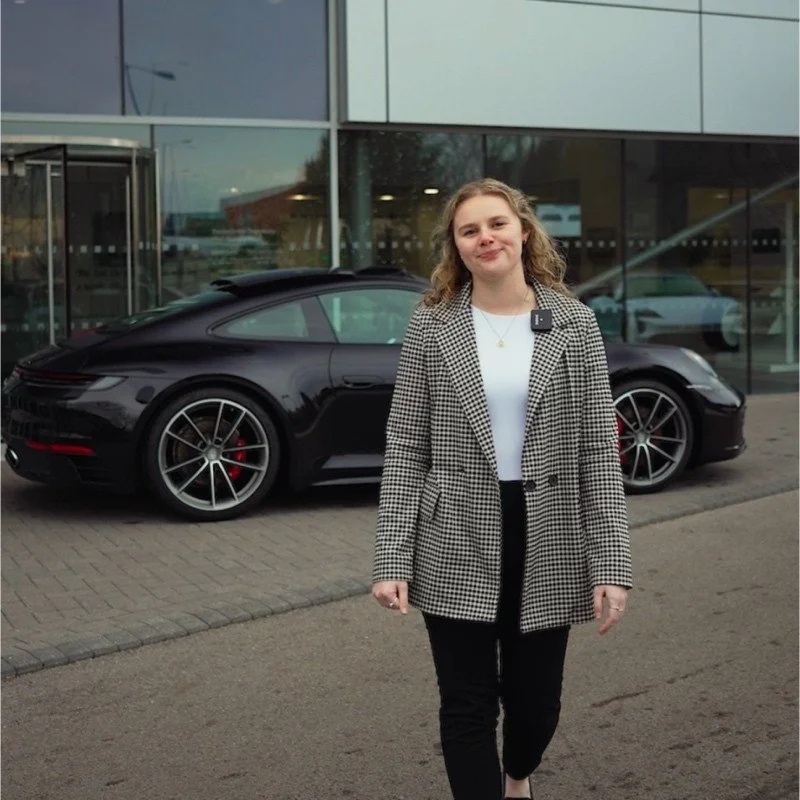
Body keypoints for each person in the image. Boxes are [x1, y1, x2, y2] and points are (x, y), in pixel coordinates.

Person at [372, 178, 633, 800]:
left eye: (495, 224)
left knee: (536, 704)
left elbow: (599, 450)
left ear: (523, 230)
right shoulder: (432, 326)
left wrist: (612, 564)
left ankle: (519, 776)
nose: (484, 238)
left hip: (550, 532)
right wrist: (391, 558)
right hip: (455, 530)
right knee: (465, 706)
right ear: (455, 247)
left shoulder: (574, 323)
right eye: (469, 230)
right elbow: (407, 447)